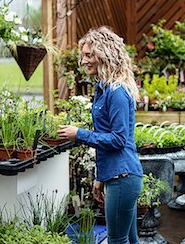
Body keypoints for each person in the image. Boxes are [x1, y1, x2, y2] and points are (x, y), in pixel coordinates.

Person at [58, 26, 143, 244]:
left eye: (88, 55)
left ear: (104, 55)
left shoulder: (116, 93)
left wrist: (79, 134)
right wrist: (99, 177)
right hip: (116, 175)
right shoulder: (102, 89)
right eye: (82, 56)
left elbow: (118, 139)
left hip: (123, 176)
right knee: (130, 239)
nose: (83, 61)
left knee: (117, 240)